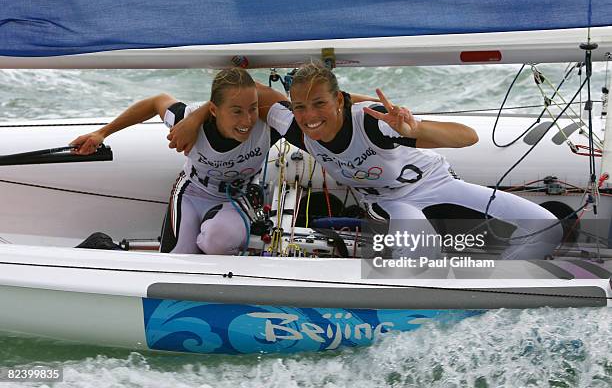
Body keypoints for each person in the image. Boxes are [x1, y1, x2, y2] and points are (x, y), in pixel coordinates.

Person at [176, 62, 562, 260]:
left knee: (547, 228)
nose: (310, 116)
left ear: (340, 101)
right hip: (390, 202)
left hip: (436, 184)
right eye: (301, 106)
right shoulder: (297, 127)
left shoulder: (377, 123)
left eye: (320, 104)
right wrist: (194, 118)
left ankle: (498, 289)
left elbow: (468, 136)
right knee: (418, 250)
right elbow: (253, 90)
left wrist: (413, 126)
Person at [70, 68, 286, 254]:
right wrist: (102, 133)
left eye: (253, 109)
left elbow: (291, 109)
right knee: (179, 255)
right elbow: (156, 102)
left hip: (238, 197)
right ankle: (104, 246)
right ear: (213, 110)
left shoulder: (268, 126)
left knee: (217, 242)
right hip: (192, 193)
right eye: (236, 111)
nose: (247, 120)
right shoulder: (187, 122)